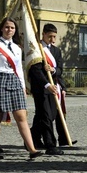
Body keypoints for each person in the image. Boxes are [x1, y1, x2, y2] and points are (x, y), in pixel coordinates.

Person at [0, 17, 43, 159]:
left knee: (21, 116)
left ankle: (32, 149)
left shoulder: (17, 48)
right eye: (7, 27)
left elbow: (19, 69)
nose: (9, 30)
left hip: (14, 80)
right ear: (2, 29)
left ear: (15, 30)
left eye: (12, 28)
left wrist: (23, 86)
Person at [29, 23, 65, 155]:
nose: (53, 40)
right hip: (41, 87)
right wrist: (46, 84)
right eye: (50, 36)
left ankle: (33, 137)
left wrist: (54, 70)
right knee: (45, 116)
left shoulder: (56, 51)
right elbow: (35, 70)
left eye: (55, 36)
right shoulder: (36, 49)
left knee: (48, 115)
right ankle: (51, 145)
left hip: (54, 86)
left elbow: (61, 69)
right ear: (43, 34)